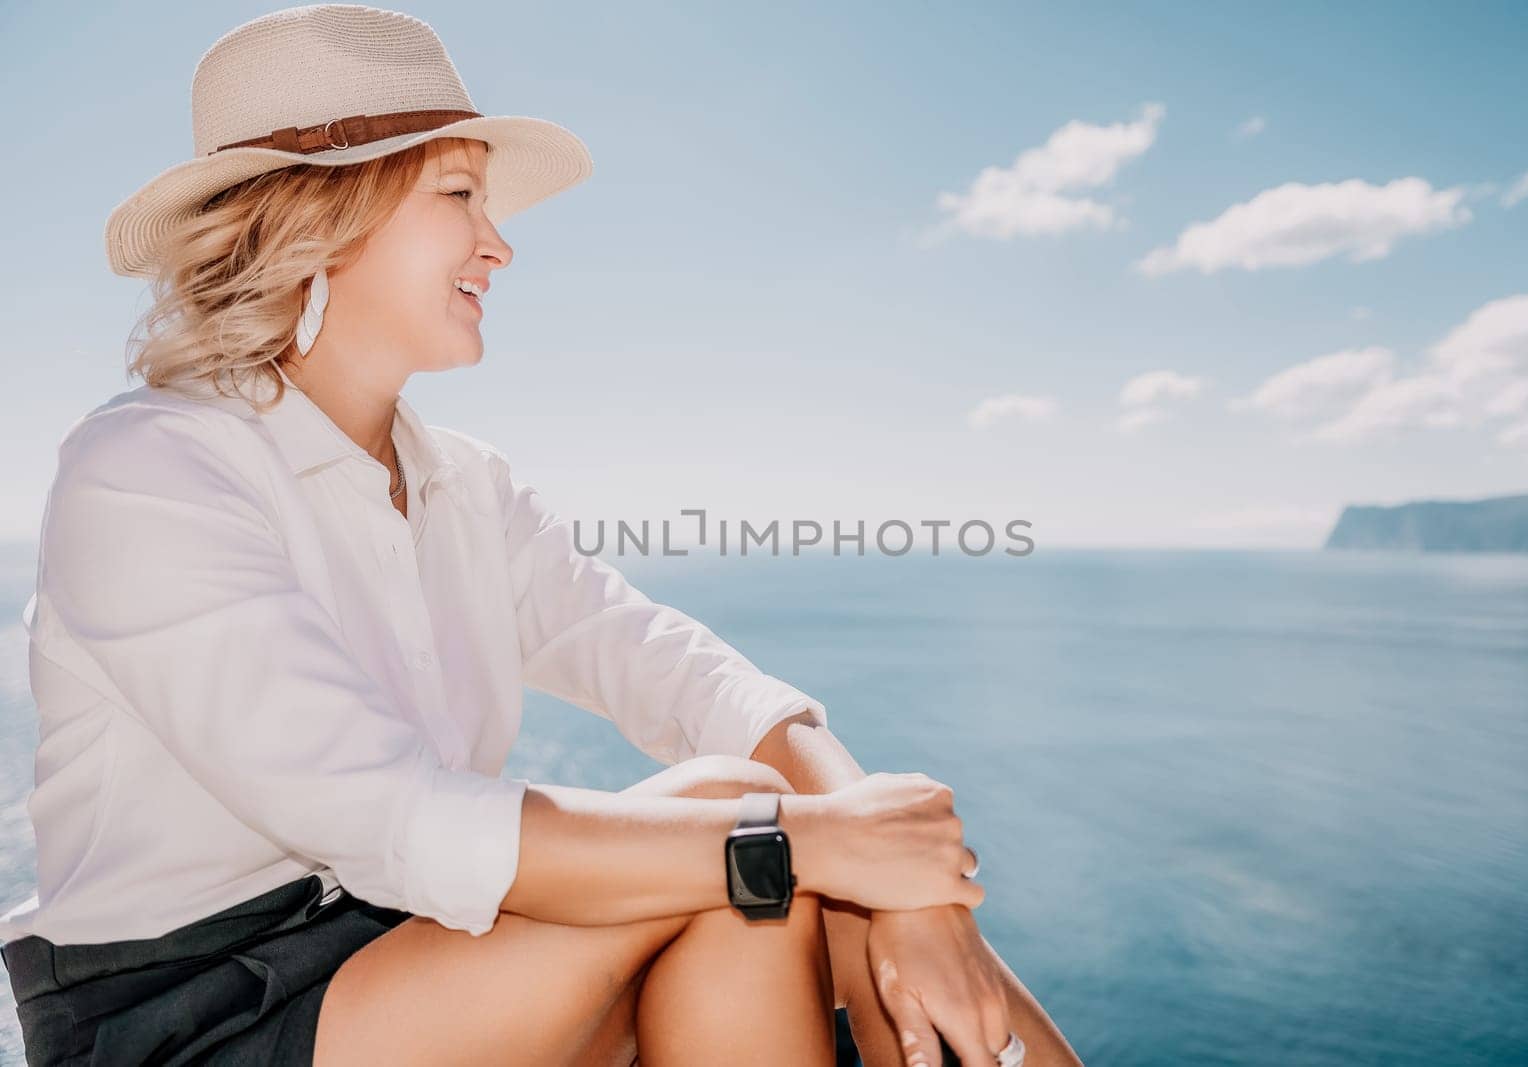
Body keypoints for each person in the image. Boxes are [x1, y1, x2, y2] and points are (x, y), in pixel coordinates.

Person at [0, 5, 1081, 1065]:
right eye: (460, 193)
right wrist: (840, 846)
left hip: (413, 948)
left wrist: (901, 874)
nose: (500, 244)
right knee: (737, 833)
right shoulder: (149, 469)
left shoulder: (465, 485)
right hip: (193, 1012)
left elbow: (679, 671)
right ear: (318, 216)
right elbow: (397, 818)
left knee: (741, 877)